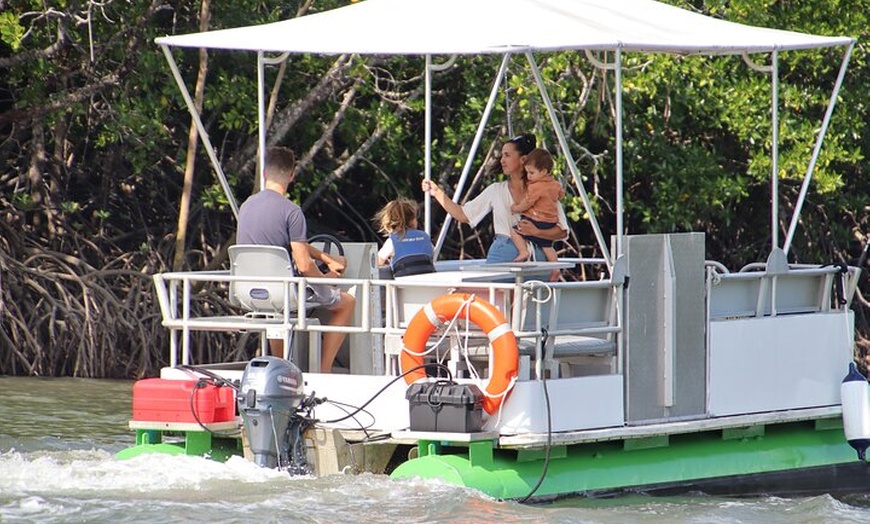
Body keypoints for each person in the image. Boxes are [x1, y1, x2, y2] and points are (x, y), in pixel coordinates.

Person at [236, 146, 355, 373]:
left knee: (276, 309)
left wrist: (324, 256)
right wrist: (326, 278)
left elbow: (290, 244)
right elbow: (303, 265)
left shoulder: (246, 206)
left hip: (251, 291)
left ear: (264, 174)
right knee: (347, 302)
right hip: (285, 293)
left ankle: (280, 368)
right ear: (292, 176)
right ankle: (324, 371)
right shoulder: (291, 211)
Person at [421, 133, 568, 264]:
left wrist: (536, 232)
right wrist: (437, 192)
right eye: (502, 155)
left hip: (537, 257)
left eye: (507, 155)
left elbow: (562, 232)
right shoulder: (496, 190)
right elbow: (463, 215)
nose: (502, 160)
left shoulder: (546, 190)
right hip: (505, 252)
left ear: (523, 159)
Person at [509, 148, 565, 281]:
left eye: (531, 173)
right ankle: (556, 269)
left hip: (535, 219)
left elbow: (527, 202)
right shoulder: (555, 184)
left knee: (515, 231)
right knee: (547, 246)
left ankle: (523, 251)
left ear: (543, 171)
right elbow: (561, 195)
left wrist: (516, 208)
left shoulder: (535, 187)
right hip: (550, 221)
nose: (528, 176)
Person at [374, 198, 436, 277]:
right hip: (428, 283)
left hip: (405, 286)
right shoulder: (425, 236)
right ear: (413, 220)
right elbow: (431, 254)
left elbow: (377, 262)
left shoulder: (392, 241)